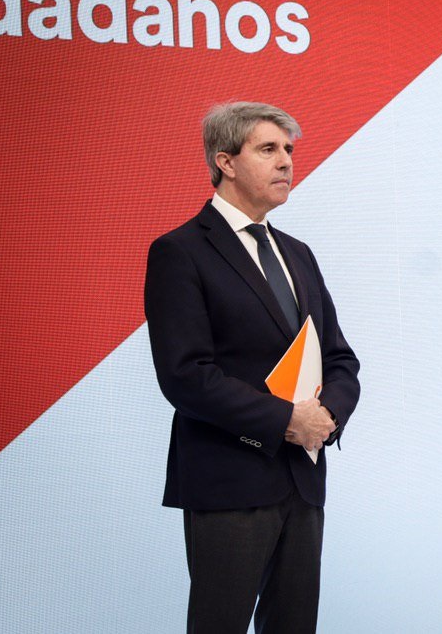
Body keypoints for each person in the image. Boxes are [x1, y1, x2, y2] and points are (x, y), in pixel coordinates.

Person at [144, 102, 360, 633]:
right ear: (226, 162)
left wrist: (325, 414)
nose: (286, 161)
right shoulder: (180, 252)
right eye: (269, 149)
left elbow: (340, 358)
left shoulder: (298, 252)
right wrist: (287, 420)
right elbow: (185, 375)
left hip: (302, 480)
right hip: (228, 479)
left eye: (289, 150)